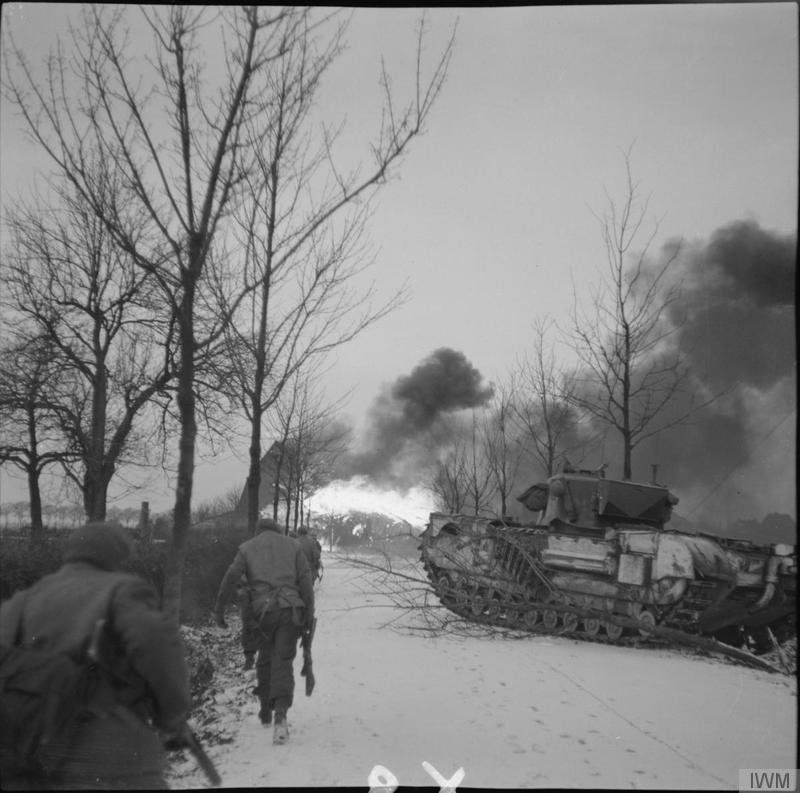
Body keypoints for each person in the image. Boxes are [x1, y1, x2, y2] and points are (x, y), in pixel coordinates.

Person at [0, 521, 191, 790]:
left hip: (30, 748)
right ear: (117, 555)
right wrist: (172, 717)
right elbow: (157, 649)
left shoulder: (25, 599)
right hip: (103, 744)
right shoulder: (123, 590)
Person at [214, 517, 314, 745]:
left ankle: (265, 711)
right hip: (291, 612)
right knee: (283, 661)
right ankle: (280, 715)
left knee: (265, 659)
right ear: (278, 529)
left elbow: (229, 578)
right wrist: (308, 616)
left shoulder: (247, 548)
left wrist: (219, 611)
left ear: (258, 531)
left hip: (262, 613)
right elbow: (307, 585)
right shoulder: (294, 546)